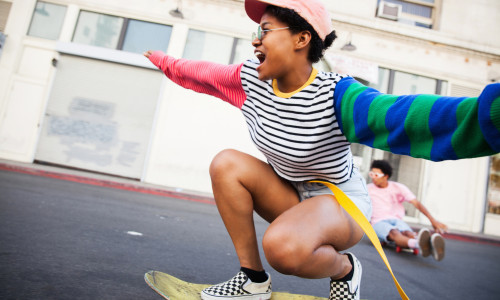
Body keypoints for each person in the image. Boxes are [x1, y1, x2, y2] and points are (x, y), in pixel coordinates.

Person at [143, 1, 499, 299]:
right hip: (292, 194)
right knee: (226, 165)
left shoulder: (337, 95)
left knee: (282, 248)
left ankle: (345, 270)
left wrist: (490, 113)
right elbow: (201, 73)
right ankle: (253, 281)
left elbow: (406, 117)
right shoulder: (250, 79)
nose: (255, 41)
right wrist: (162, 59)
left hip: (341, 203)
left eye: (264, 31)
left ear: (302, 38)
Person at [368, 160, 448, 261]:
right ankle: (420, 244)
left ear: (386, 176)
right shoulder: (368, 189)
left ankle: (429, 244)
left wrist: (433, 221)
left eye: (376, 175)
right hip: (378, 222)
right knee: (394, 233)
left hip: (396, 220)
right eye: (371, 174)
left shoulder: (398, 187)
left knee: (408, 233)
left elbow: (416, 204)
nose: (373, 178)